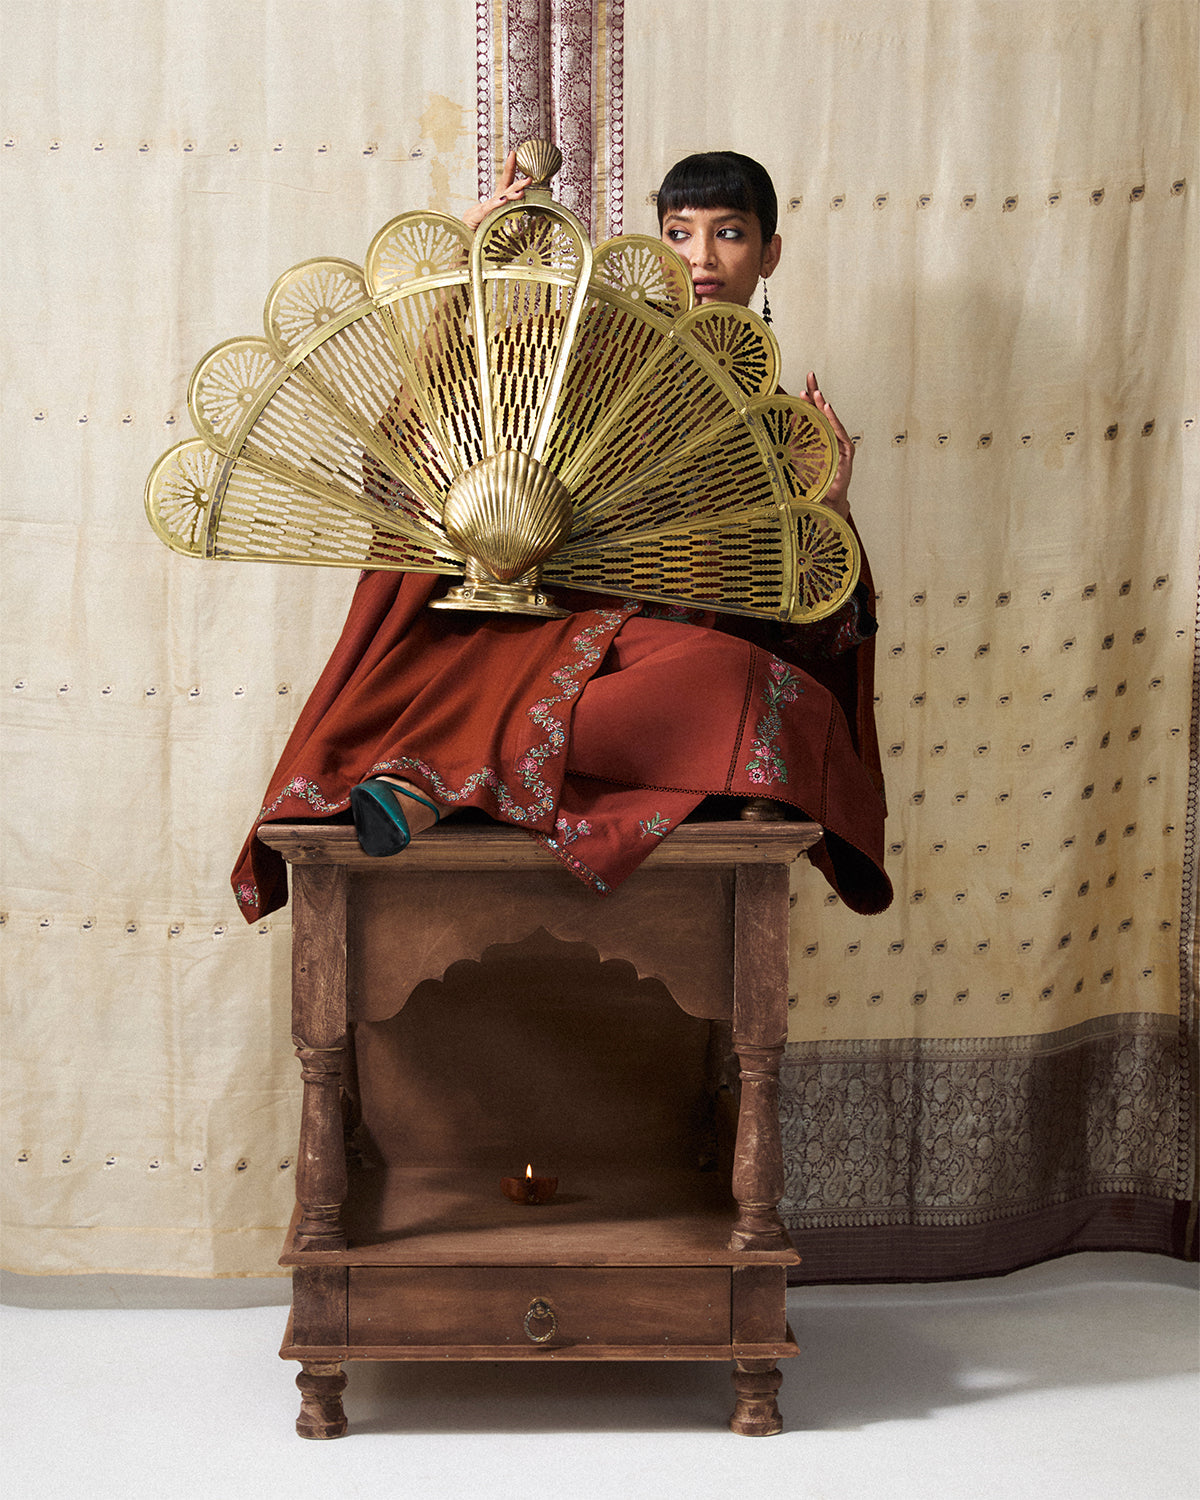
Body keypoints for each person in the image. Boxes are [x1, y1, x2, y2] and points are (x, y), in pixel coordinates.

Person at [230, 150, 891, 921]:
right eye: (680, 233)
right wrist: (464, 275)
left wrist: (831, 513)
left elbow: (817, 630)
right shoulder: (586, 349)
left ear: (769, 252)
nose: (703, 257)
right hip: (539, 643)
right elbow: (413, 451)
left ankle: (434, 773)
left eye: (731, 232)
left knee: (765, 693)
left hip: (652, 673)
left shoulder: (780, 424)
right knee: (696, 694)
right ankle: (446, 770)